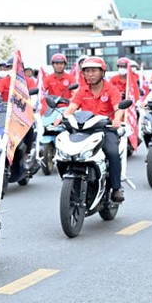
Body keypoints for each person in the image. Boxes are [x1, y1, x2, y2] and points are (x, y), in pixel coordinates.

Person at [60, 57, 127, 202]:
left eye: (93, 71)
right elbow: (72, 107)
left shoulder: (111, 89)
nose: (90, 74)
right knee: (65, 152)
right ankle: (70, 180)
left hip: (106, 130)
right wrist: (61, 117)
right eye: (87, 71)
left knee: (112, 153)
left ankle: (116, 188)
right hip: (84, 130)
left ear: (102, 72)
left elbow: (118, 108)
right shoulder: (82, 90)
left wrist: (117, 119)